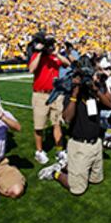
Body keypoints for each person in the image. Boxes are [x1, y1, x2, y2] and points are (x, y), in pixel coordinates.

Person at [37, 58, 111, 195]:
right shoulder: (71, 93)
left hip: (96, 144)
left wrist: (96, 90)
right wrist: (74, 94)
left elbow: (110, 106)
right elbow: (67, 118)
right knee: (77, 189)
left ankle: (68, 166)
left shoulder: (93, 92)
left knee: (96, 180)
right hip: (79, 145)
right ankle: (55, 172)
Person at [28, 34, 71, 164]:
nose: (50, 46)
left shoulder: (54, 56)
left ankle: (60, 150)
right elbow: (31, 69)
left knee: (56, 123)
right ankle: (39, 151)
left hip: (56, 94)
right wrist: (40, 52)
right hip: (40, 95)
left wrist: (56, 54)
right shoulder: (37, 55)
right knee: (39, 126)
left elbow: (67, 63)